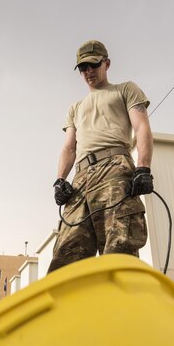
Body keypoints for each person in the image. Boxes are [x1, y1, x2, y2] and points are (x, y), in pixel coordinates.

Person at [47, 40, 155, 273]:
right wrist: (59, 180)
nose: (88, 72)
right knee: (67, 252)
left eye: (93, 65)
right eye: (83, 68)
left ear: (107, 63)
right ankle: (68, 306)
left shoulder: (125, 89)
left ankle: (118, 304)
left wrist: (143, 167)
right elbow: (69, 147)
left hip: (114, 168)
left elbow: (142, 128)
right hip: (81, 178)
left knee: (119, 246)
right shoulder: (75, 107)